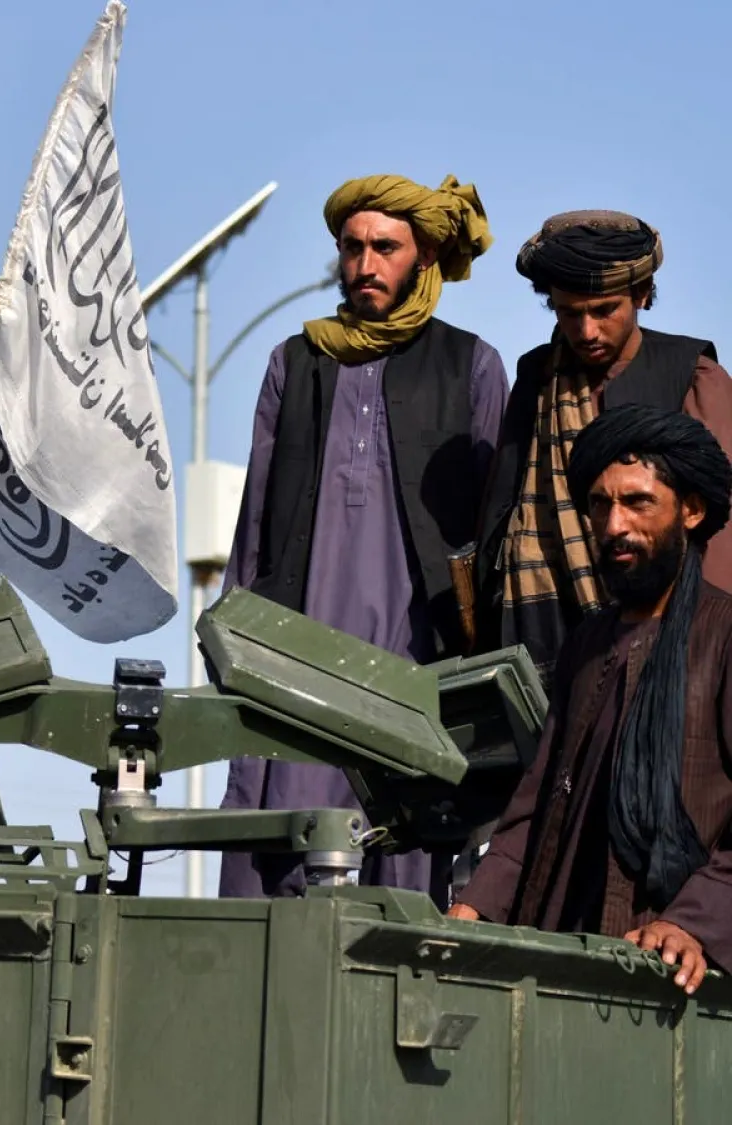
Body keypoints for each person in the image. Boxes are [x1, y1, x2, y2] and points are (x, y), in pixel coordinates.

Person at [218, 173, 508, 904]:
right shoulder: (297, 361)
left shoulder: (470, 366)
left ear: (423, 256)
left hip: (413, 675)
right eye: (353, 248)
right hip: (295, 668)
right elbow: (255, 524)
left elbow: (495, 539)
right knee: (276, 851)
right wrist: (230, 639)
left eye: (386, 246)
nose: (366, 265)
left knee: (402, 866)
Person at [450, 406, 732, 995]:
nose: (613, 525)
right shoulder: (586, 644)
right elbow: (535, 807)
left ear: (692, 510)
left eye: (638, 502)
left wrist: (692, 922)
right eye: (600, 505)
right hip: (567, 957)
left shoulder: (724, 636)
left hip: (674, 974)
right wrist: (475, 908)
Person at [474, 211, 732, 685]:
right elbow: (503, 515)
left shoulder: (690, 374)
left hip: (671, 635)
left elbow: (719, 526)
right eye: (569, 313)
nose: (587, 331)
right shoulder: (537, 378)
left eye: (604, 311)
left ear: (642, 295)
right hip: (550, 638)